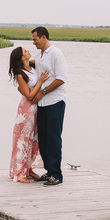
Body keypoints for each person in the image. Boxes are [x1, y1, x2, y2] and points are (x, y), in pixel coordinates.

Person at [8, 46, 50, 183]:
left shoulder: (32, 66)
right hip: (26, 110)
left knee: (34, 140)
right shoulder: (20, 74)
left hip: (36, 109)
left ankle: (28, 168)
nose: (28, 51)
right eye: (25, 52)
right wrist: (40, 82)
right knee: (23, 140)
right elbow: (29, 95)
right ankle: (19, 173)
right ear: (21, 58)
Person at [32, 26, 67, 186]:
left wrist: (43, 92)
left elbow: (60, 79)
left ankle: (57, 175)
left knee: (53, 138)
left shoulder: (56, 54)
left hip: (55, 102)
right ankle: (48, 171)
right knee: (43, 138)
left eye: (35, 39)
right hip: (42, 104)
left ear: (43, 37)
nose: (34, 42)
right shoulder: (38, 56)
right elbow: (29, 64)